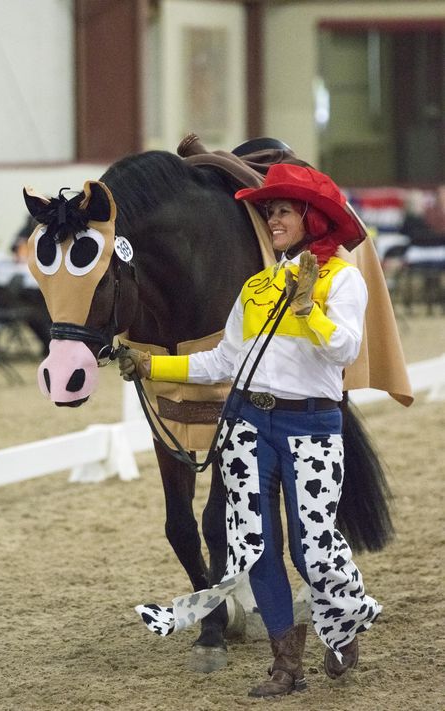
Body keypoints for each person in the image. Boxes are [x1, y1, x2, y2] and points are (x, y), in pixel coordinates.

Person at [118, 163, 382, 698]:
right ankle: (286, 665)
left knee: (313, 550)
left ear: (311, 218)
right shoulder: (257, 287)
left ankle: (344, 621)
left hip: (311, 423)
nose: (272, 219)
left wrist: (310, 311)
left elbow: (346, 350)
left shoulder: (343, 279)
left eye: (283, 211)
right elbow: (222, 361)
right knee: (256, 547)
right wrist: (152, 367)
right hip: (248, 424)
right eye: (269, 211)